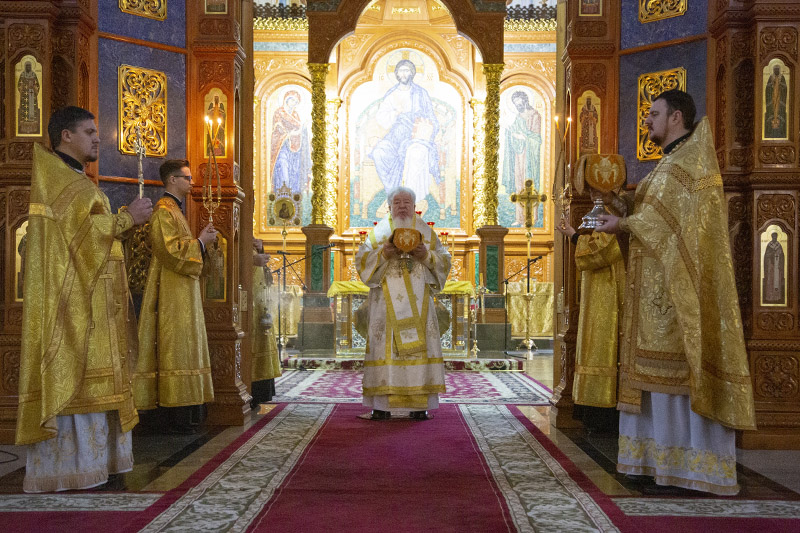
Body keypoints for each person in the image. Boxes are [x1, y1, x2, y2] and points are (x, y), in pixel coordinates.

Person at [596, 89, 756, 495]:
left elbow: (673, 224)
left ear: (677, 117)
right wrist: (619, 203)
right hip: (656, 288)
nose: (647, 120)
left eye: (654, 113)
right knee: (655, 381)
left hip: (675, 292)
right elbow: (655, 213)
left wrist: (625, 225)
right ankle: (654, 460)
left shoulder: (689, 162)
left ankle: (695, 466)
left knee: (678, 376)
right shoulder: (669, 162)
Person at [16, 106, 153, 492]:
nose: (97, 138)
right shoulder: (59, 179)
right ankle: (70, 469)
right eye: (90, 131)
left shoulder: (73, 177)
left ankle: (99, 463)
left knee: (103, 386)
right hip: (75, 303)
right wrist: (127, 219)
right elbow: (80, 237)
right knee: (79, 383)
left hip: (95, 301)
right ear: (66, 136)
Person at [355, 186, 451, 420]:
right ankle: (381, 406)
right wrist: (384, 254)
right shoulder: (378, 234)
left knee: (419, 349)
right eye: (397, 202)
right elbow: (362, 260)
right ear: (389, 207)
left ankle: (419, 406)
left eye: (407, 202)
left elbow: (444, 259)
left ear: (414, 206)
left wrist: (425, 256)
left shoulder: (426, 234)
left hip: (420, 303)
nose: (402, 206)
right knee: (385, 347)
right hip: (385, 305)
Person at [134, 160, 216, 431]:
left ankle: (188, 411)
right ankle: (173, 416)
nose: (192, 183)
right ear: (171, 180)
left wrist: (203, 244)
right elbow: (170, 252)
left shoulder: (176, 211)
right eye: (187, 178)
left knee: (185, 347)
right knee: (174, 348)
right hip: (169, 295)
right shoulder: (162, 212)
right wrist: (201, 242)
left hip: (182, 292)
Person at [556, 171, 625, 434]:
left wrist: (574, 236)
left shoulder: (617, 215)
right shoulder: (603, 211)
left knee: (604, 345)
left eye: (597, 190)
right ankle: (591, 411)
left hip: (610, 290)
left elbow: (602, 251)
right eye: (592, 191)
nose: (593, 196)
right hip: (597, 290)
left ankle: (603, 414)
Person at [369, 60, 441, 205]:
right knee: (379, 152)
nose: (404, 74)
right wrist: (396, 113)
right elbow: (381, 117)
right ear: (396, 73)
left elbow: (431, 118)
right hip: (395, 136)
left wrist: (424, 129)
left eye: (407, 70)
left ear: (412, 73)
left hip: (415, 136)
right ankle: (393, 193)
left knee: (415, 153)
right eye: (401, 70)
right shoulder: (392, 94)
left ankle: (413, 200)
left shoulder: (420, 93)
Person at [502, 91, 542, 227]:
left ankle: (531, 218)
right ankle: (520, 218)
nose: (518, 105)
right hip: (519, 157)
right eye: (515, 104)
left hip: (530, 158)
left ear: (525, 101)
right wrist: (508, 131)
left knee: (530, 186)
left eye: (520, 102)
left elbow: (537, 138)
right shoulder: (518, 117)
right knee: (519, 185)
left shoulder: (535, 116)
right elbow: (513, 131)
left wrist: (524, 137)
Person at [250, 239, 281, 407]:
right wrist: (251, 261)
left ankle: (262, 391)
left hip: (260, 295)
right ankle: (252, 391)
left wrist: (260, 248)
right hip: (247, 295)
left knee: (263, 333)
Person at [270, 90, 310, 196]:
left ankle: (293, 194)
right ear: (286, 100)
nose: (294, 104)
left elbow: (299, 131)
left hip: (294, 149)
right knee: (283, 169)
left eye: (296, 102)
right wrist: (289, 133)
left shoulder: (295, 115)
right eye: (292, 101)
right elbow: (278, 128)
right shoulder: (279, 112)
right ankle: (282, 193)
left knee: (294, 170)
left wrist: (301, 130)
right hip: (281, 146)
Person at [764, 64, 787, 139]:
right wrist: (772, 84)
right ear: (773, 70)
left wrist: (780, 84)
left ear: (779, 70)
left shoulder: (782, 77)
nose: (776, 71)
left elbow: (785, 88)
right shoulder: (771, 78)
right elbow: (767, 88)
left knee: (779, 109)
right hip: (772, 98)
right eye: (775, 69)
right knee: (772, 110)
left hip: (780, 98)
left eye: (777, 69)